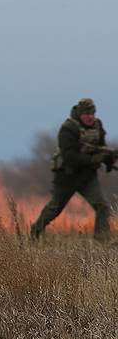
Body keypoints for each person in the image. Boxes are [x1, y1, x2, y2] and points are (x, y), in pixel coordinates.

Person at [30, 98, 114, 241]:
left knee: (103, 206)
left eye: (92, 113)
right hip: (67, 176)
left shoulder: (97, 127)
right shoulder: (68, 128)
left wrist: (108, 159)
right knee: (55, 208)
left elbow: (101, 148)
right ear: (80, 114)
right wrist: (93, 160)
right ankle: (35, 232)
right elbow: (70, 157)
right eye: (87, 114)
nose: (90, 117)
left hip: (88, 177)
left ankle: (102, 238)